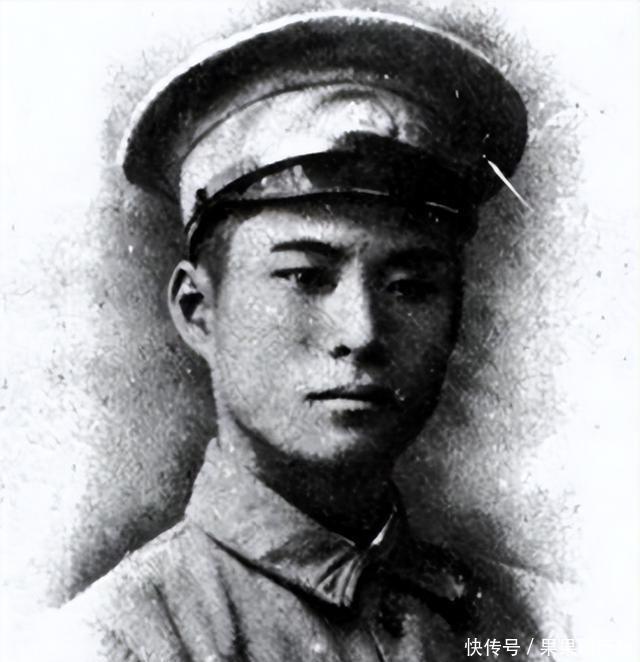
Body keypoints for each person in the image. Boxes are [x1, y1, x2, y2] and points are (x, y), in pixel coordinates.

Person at [35, 9, 555, 662]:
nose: (361, 333)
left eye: (409, 286)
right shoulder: (108, 642)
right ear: (198, 310)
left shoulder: (545, 625)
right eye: (306, 277)